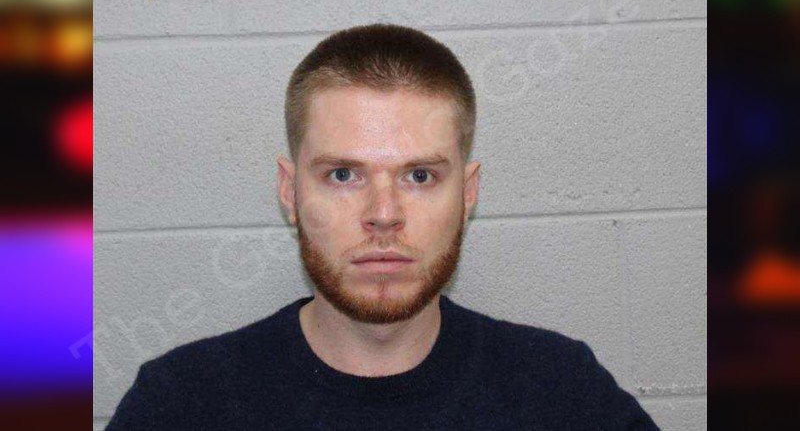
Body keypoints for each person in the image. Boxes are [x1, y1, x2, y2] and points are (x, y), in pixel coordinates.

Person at [106, 23, 658, 430]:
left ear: (467, 194)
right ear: (290, 192)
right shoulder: (181, 404)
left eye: (419, 176)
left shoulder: (561, 393)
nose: (384, 213)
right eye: (343, 174)